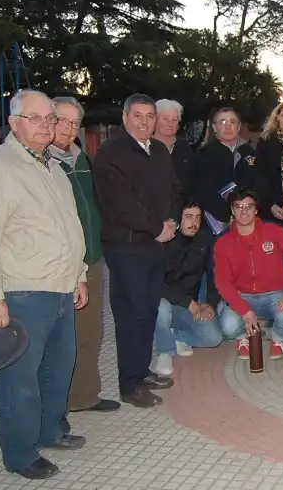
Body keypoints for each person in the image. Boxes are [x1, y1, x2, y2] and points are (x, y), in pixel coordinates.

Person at [0, 90, 88, 480]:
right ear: (14, 123)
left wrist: (79, 274)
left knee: (58, 368)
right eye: (36, 119)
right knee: (20, 378)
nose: (47, 126)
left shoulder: (52, 167)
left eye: (51, 119)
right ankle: (19, 453)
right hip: (23, 291)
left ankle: (50, 429)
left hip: (61, 286)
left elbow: (70, 225)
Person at [92, 93, 182, 409]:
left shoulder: (157, 150)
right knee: (130, 316)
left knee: (147, 312)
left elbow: (172, 189)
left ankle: (142, 371)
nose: (144, 122)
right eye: (138, 116)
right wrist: (157, 228)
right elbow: (121, 205)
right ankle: (129, 384)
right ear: (125, 116)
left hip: (155, 244)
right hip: (127, 247)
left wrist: (170, 220)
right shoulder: (110, 154)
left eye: (149, 116)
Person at [49, 96, 120, 414]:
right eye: (61, 121)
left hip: (90, 260)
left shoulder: (79, 158)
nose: (68, 128)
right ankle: (57, 404)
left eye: (74, 123)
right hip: (58, 265)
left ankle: (85, 396)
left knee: (90, 332)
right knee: (60, 339)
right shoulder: (42, 162)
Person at [214, 188, 283, 359]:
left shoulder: (273, 230)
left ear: (256, 210)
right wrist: (244, 310)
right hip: (242, 295)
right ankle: (243, 337)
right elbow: (222, 282)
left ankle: (277, 338)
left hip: (274, 294)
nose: (243, 211)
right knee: (228, 325)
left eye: (248, 206)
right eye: (238, 207)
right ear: (232, 210)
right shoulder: (223, 242)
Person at [152, 201, 225, 376]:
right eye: (189, 217)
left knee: (214, 337)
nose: (194, 223)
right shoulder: (163, 241)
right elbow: (154, 284)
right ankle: (165, 351)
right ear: (177, 219)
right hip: (164, 301)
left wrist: (209, 303)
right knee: (161, 308)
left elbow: (215, 273)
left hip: (189, 306)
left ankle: (176, 335)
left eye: (198, 217)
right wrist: (188, 303)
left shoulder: (205, 239)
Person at [191, 107, 266, 234]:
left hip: (249, 220)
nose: (228, 126)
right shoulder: (203, 155)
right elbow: (203, 190)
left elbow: (260, 186)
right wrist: (228, 215)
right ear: (214, 128)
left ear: (238, 126)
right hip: (216, 223)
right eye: (222, 122)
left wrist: (246, 213)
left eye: (232, 122)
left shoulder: (251, 154)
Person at [154, 99, 195, 193]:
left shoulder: (185, 148)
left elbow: (193, 182)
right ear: (155, 119)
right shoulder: (143, 148)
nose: (170, 124)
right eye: (165, 118)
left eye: (175, 119)